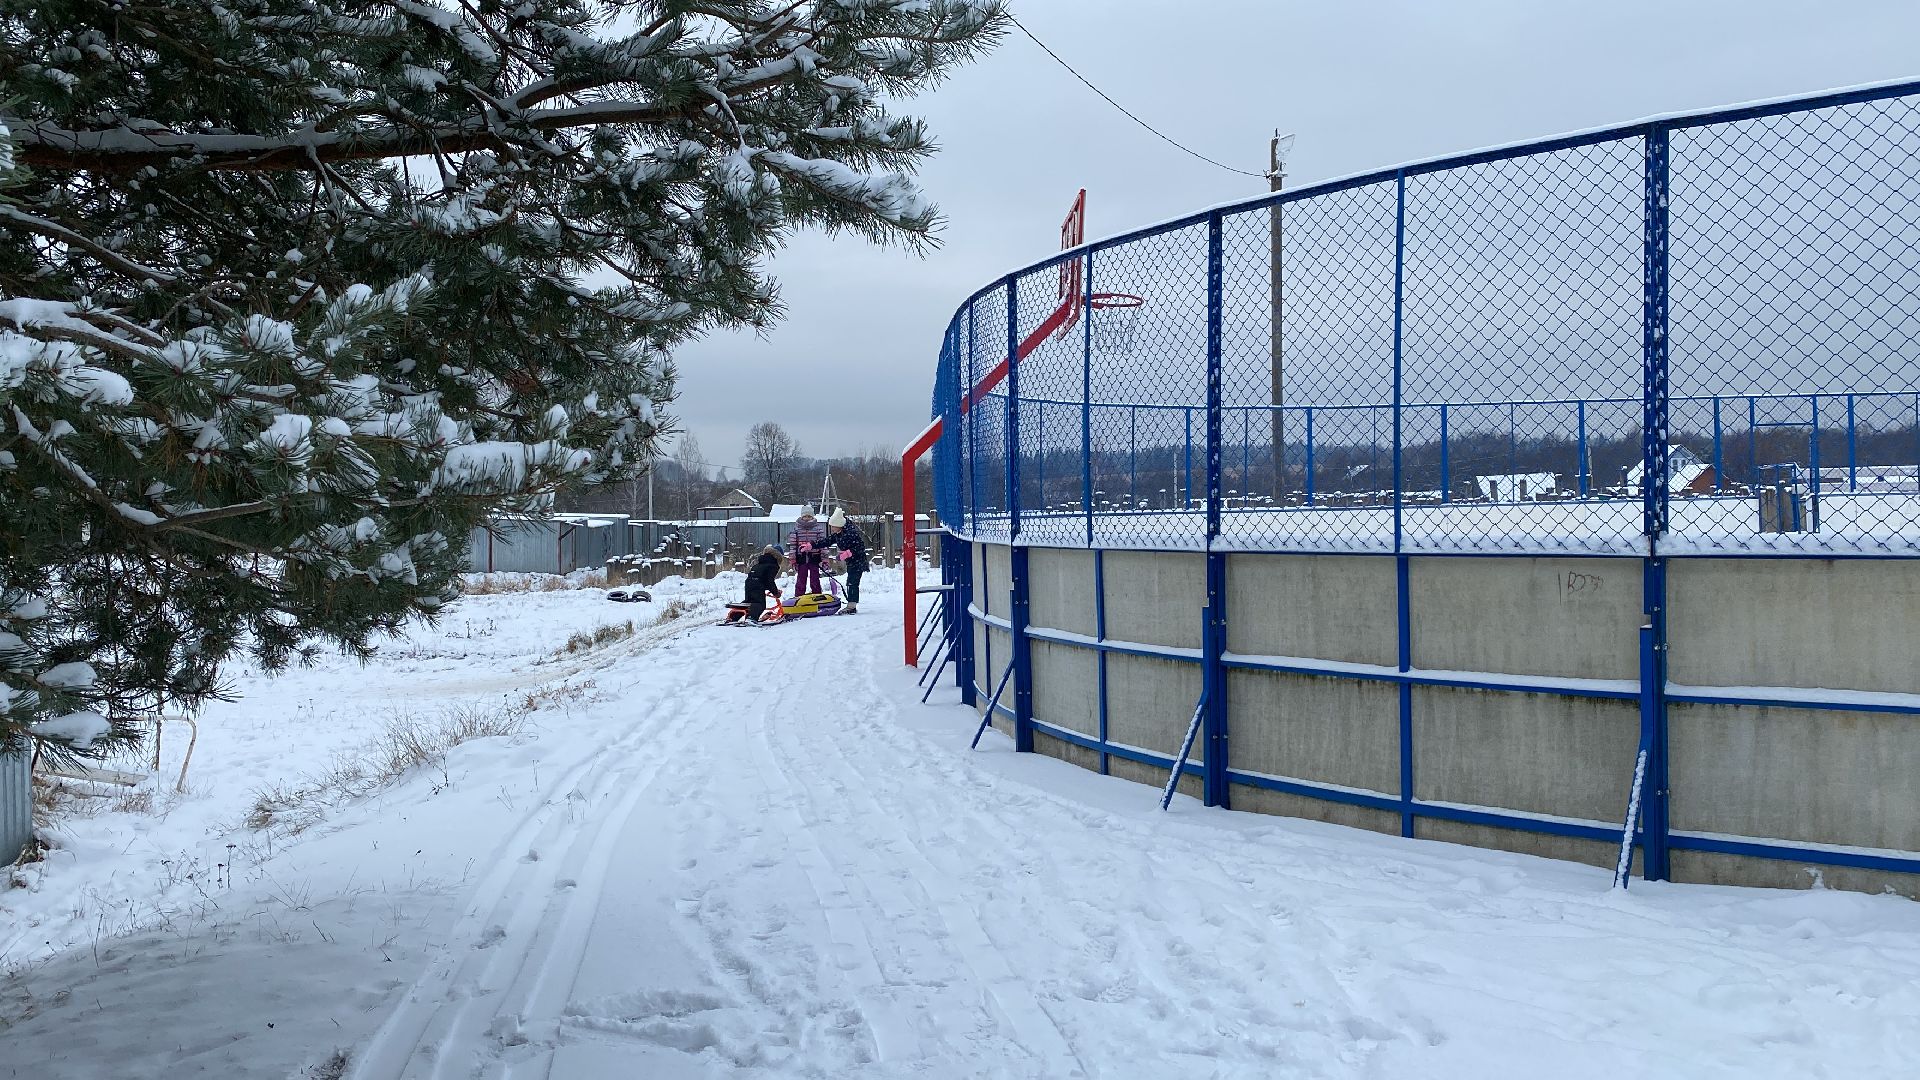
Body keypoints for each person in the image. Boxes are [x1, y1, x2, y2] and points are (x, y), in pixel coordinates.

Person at [827, 509, 867, 614]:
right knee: (850, 581)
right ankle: (851, 604)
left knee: (852, 582)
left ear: (838, 525)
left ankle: (852, 606)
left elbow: (860, 547)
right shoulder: (838, 534)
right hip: (851, 562)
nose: (831, 528)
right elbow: (827, 541)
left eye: (832, 526)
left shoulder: (851, 533)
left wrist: (846, 554)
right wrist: (812, 545)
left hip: (858, 561)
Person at [786, 507, 828, 597]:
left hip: (814, 557)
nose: (807, 518)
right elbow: (793, 545)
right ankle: (799, 597)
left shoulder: (818, 529)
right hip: (801, 558)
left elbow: (823, 544)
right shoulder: (796, 529)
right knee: (801, 579)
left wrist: (824, 559)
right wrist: (793, 559)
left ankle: (817, 596)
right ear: (802, 517)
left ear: (812, 517)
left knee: (815, 579)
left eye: (809, 516)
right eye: (805, 516)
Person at [743, 545, 783, 622]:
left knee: (748, 602)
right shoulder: (773, 565)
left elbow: (764, 579)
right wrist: (776, 593)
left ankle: (734, 616)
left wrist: (772, 589)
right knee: (760, 604)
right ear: (778, 556)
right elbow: (769, 581)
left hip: (749, 583)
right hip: (757, 584)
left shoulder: (759, 564)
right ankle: (751, 618)